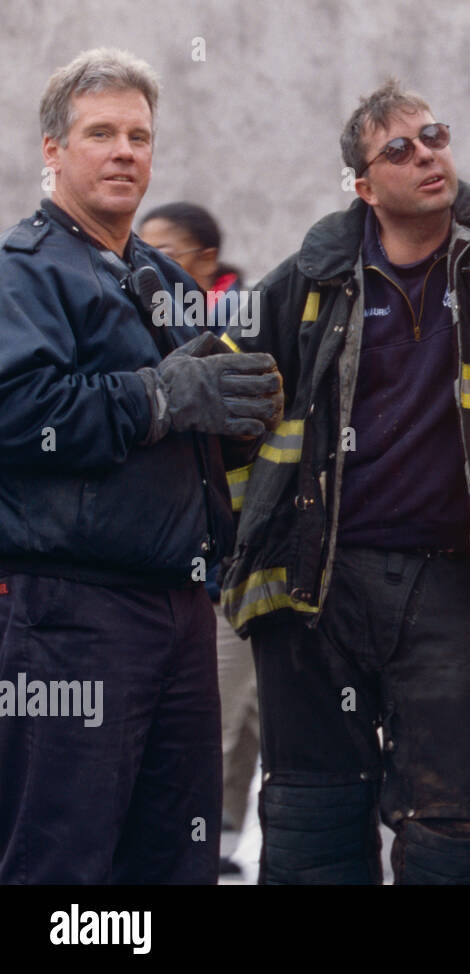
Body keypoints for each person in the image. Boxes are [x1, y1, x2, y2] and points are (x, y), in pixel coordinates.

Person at [220, 79, 470, 884]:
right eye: (399, 149)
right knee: (314, 812)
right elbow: (218, 394)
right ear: (363, 186)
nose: (427, 155)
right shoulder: (309, 280)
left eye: (435, 136)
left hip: (446, 581)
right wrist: (238, 545)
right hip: (318, 583)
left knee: (452, 821)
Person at [0, 49, 283, 883]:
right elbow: (18, 412)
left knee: (170, 856)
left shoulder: (159, 278)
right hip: (70, 616)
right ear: (53, 150)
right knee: (63, 854)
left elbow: (185, 414)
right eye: (100, 134)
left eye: (139, 136)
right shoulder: (24, 273)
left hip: (177, 610)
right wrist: (161, 398)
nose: (125, 152)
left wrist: (230, 427)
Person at [139, 202, 259, 877]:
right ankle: (216, 837)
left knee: (225, 715)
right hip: (211, 565)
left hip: (231, 564)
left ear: (206, 259)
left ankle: (211, 840)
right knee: (232, 716)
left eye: (166, 251)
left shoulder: (233, 325)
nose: (150, 261)